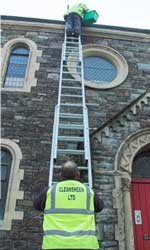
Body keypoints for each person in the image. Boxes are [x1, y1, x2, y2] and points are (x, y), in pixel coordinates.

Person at [34, 160, 104, 249]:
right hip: (85, 245)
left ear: (60, 175)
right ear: (78, 174)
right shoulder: (89, 192)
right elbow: (100, 207)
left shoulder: (49, 191)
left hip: (54, 245)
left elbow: (36, 205)